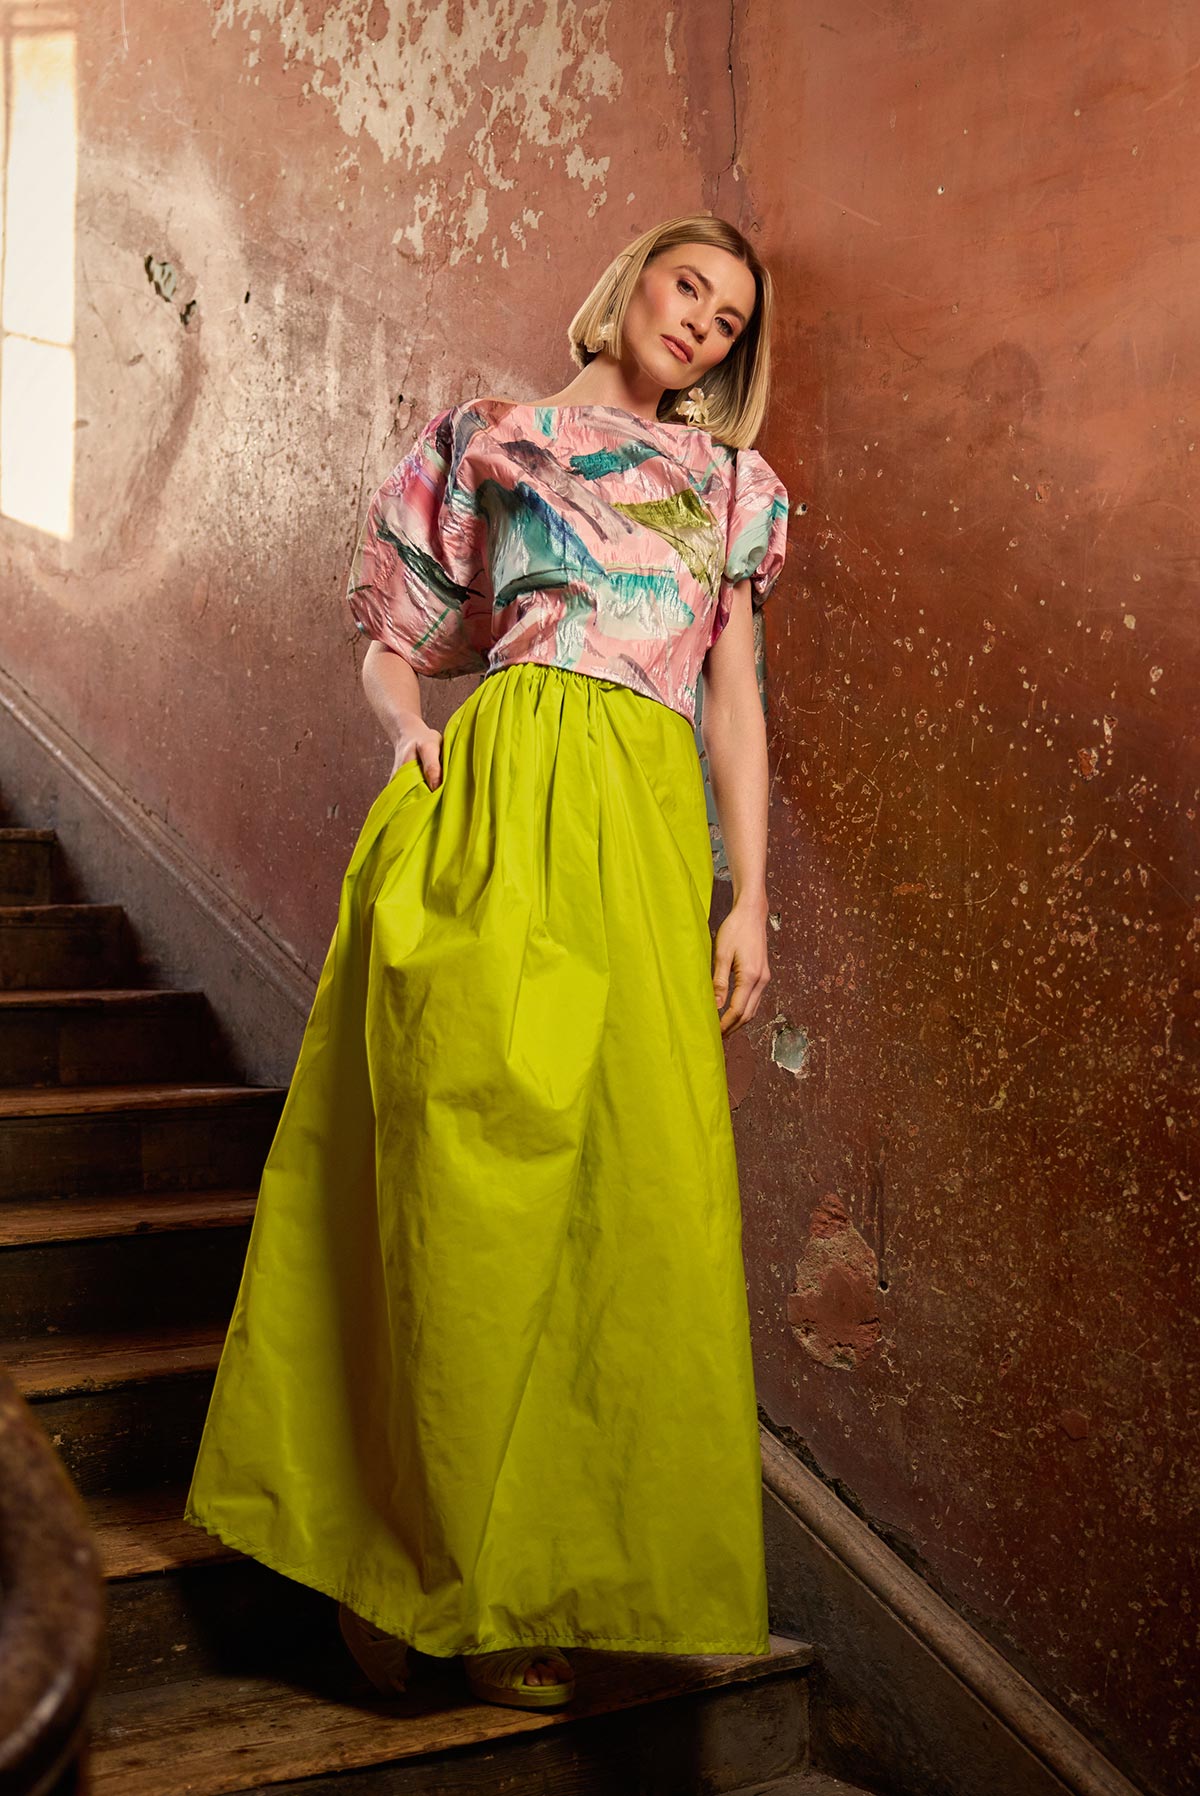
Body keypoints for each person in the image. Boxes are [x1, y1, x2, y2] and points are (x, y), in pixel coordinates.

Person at [183, 210, 790, 1715]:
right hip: (496, 808)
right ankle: (399, 1567)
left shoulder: (730, 487)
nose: (701, 325)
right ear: (632, 284)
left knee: (615, 1211)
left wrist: (750, 899)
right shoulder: (491, 438)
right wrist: (405, 732)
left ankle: (534, 1582)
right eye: (687, 288)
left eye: (728, 321)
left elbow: (734, 705)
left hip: (644, 843)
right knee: (456, 1185)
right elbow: (393, 633)